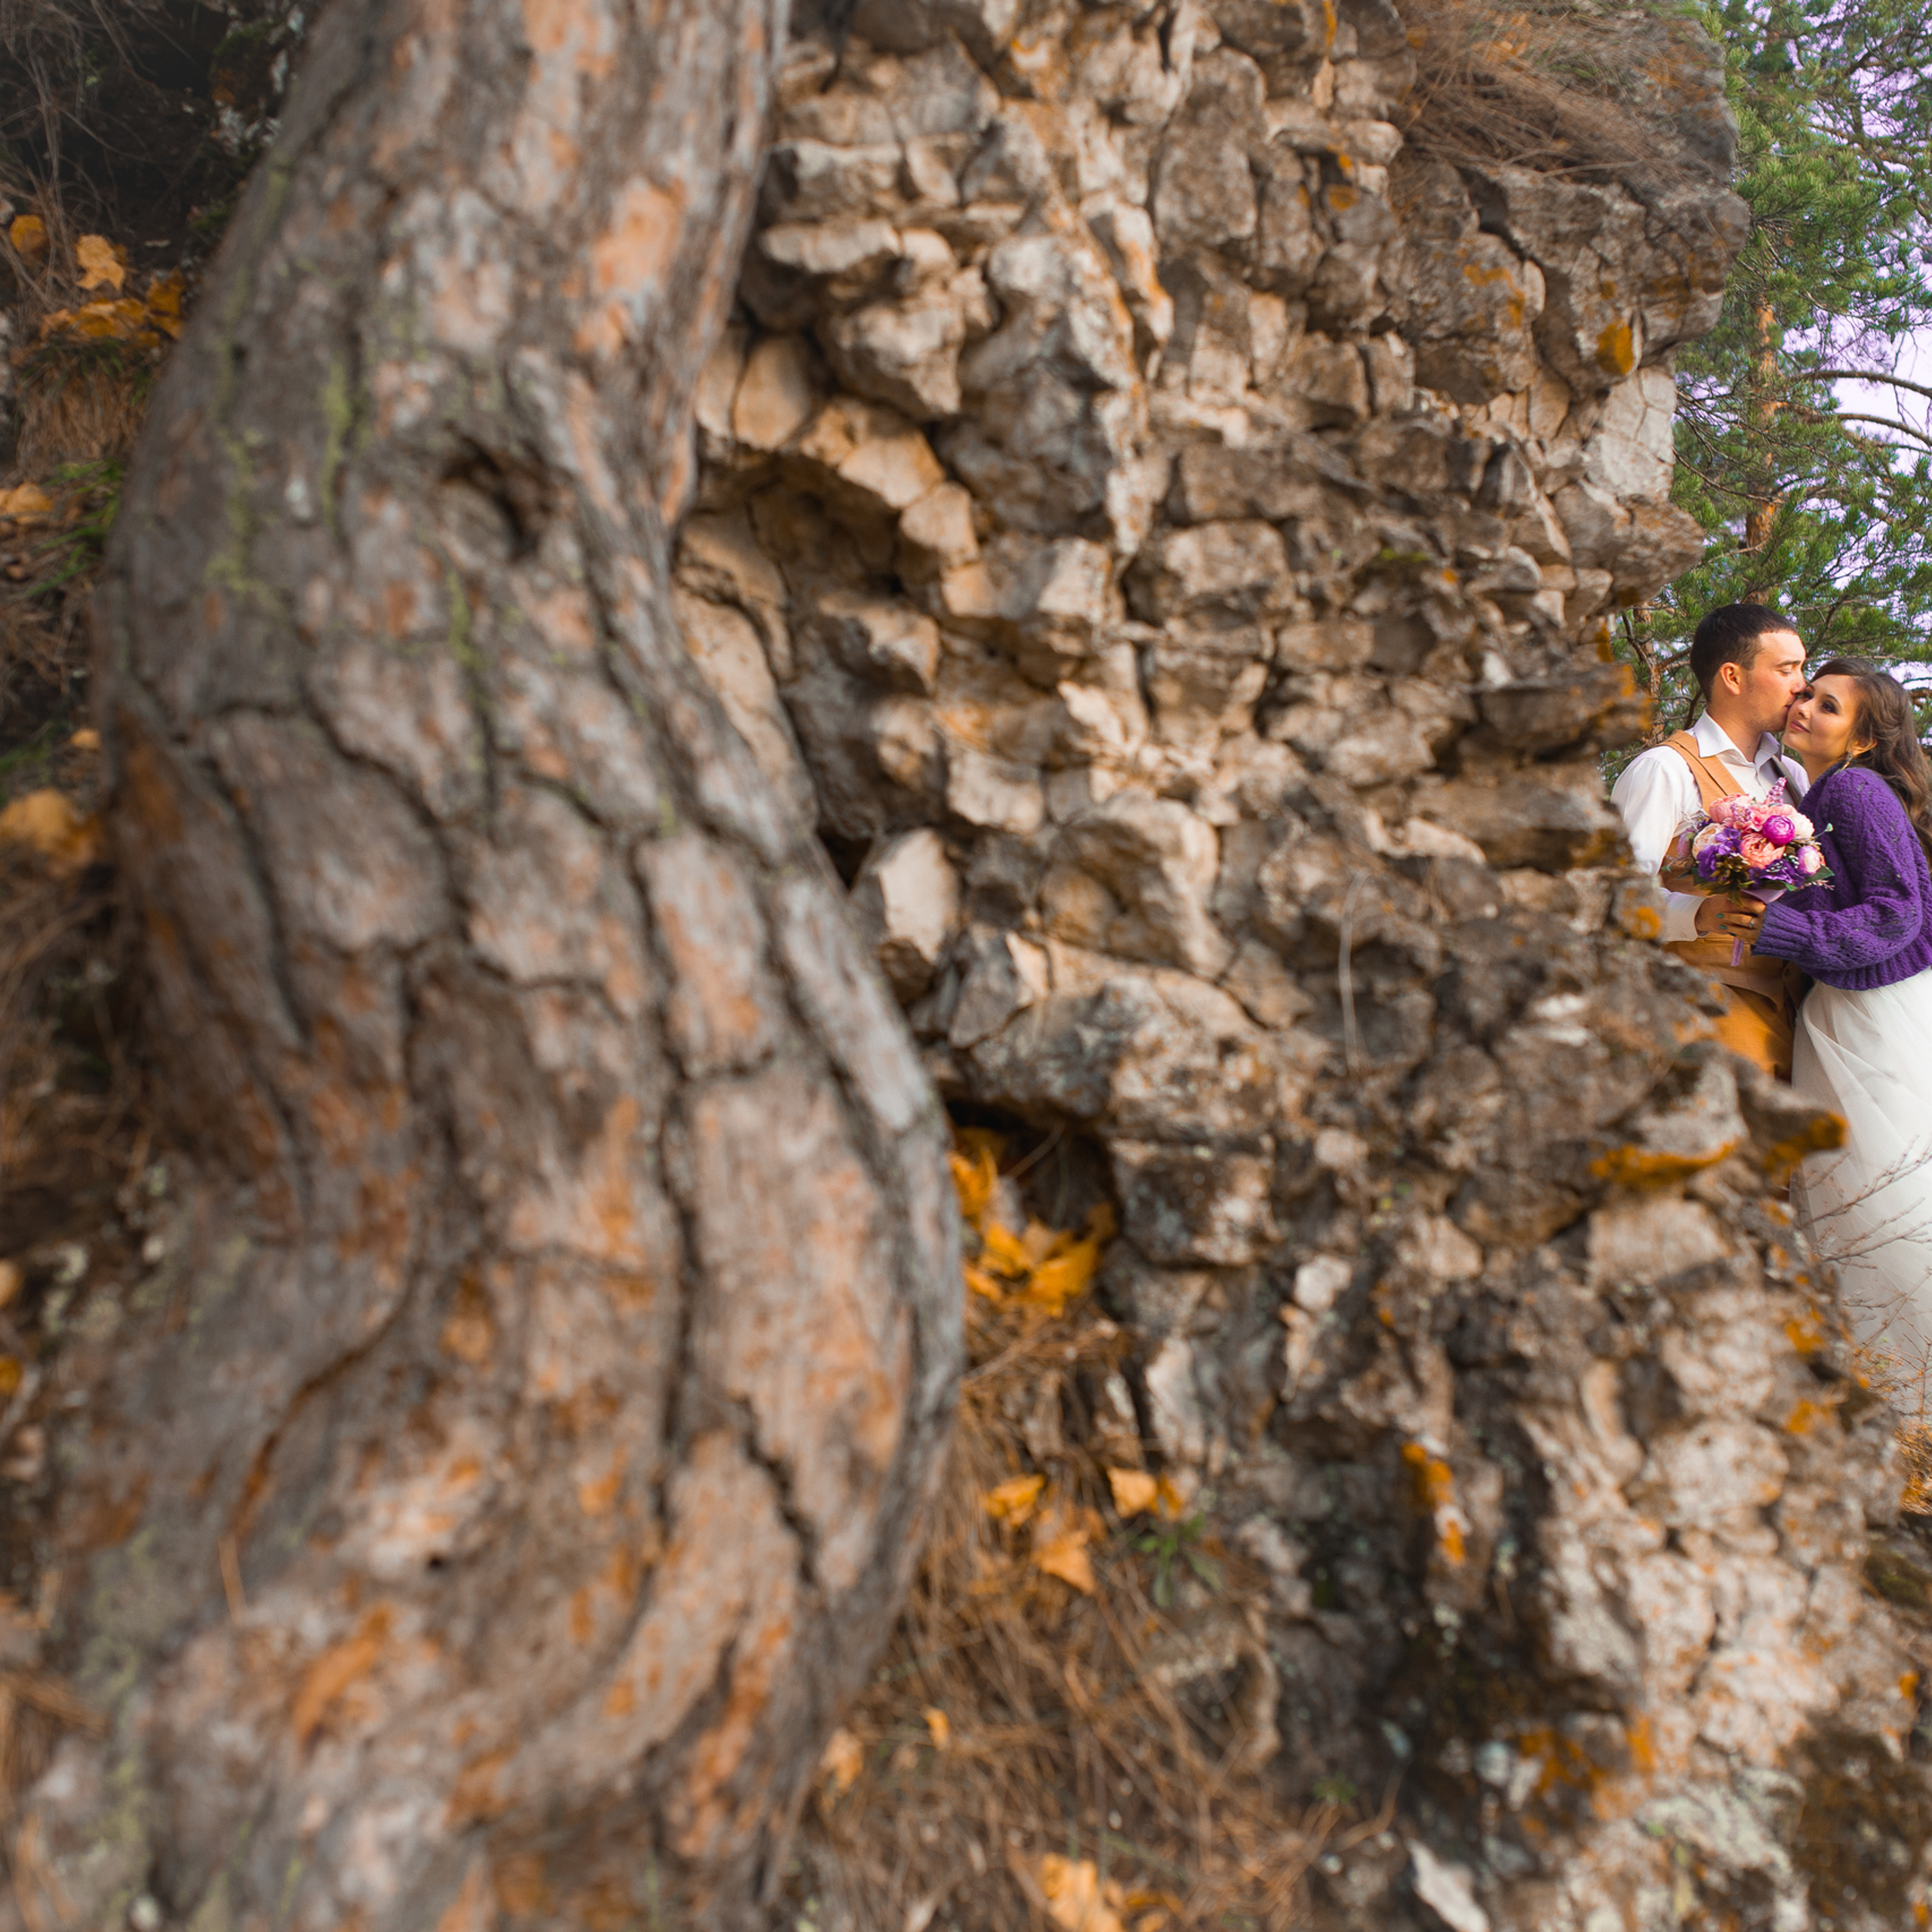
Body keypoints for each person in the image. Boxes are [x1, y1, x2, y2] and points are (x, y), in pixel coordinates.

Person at [1728, 657, 1932, 1404]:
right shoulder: (1816, 793)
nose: (1804, 706)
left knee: (1883, 1190)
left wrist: (1780, 927)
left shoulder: (1853, 787)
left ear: (1864, 737)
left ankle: (1905, 1393)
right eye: (1806, 693)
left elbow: (1897, 909)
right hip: (1850, 1004)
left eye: (1828, 705)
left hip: (1870, 1008)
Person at [1611, 604, 1810, 1078]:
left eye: (1802, 668)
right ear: (1733, 677)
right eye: (1786, 669)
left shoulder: (1795, 776)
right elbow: (1608, 899)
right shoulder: (1664, 770)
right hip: (1704, 1016)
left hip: (1799, 1007)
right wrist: (1695, 913)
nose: (1802, 685)